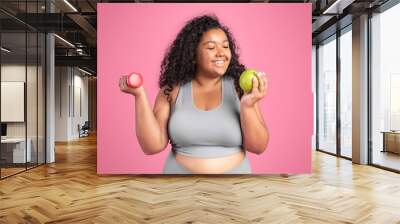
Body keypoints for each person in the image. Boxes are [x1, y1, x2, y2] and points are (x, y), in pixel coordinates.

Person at [119, 15, 269, 174]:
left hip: (235, 188)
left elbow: (258, 147)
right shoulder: (171, 90)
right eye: (211, 48)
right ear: (193, 54)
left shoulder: (240, 88)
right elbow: (151, 146)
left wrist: (248, 106)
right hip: (178, 185)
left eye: (225, 47)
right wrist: (139, 95)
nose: (221, 53)